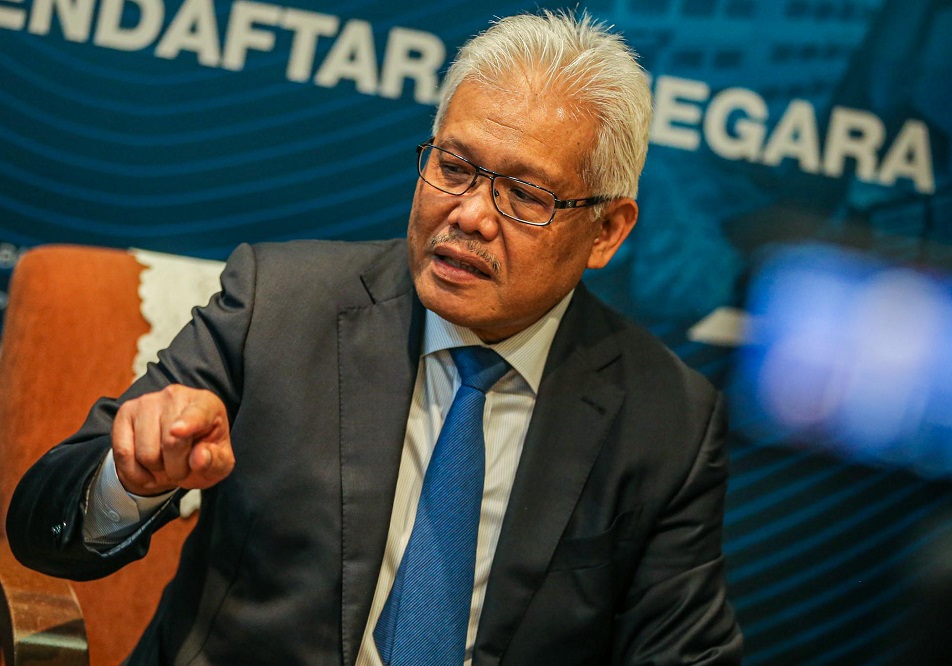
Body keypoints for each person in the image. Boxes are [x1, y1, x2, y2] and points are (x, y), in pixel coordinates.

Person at [6, 9, 742, 665]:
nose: (470, 214)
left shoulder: (667, 420)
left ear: (607, 230)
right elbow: (44, 528)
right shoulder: (280, 306)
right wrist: (130, 480)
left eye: (525, 195)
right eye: (453, 167)